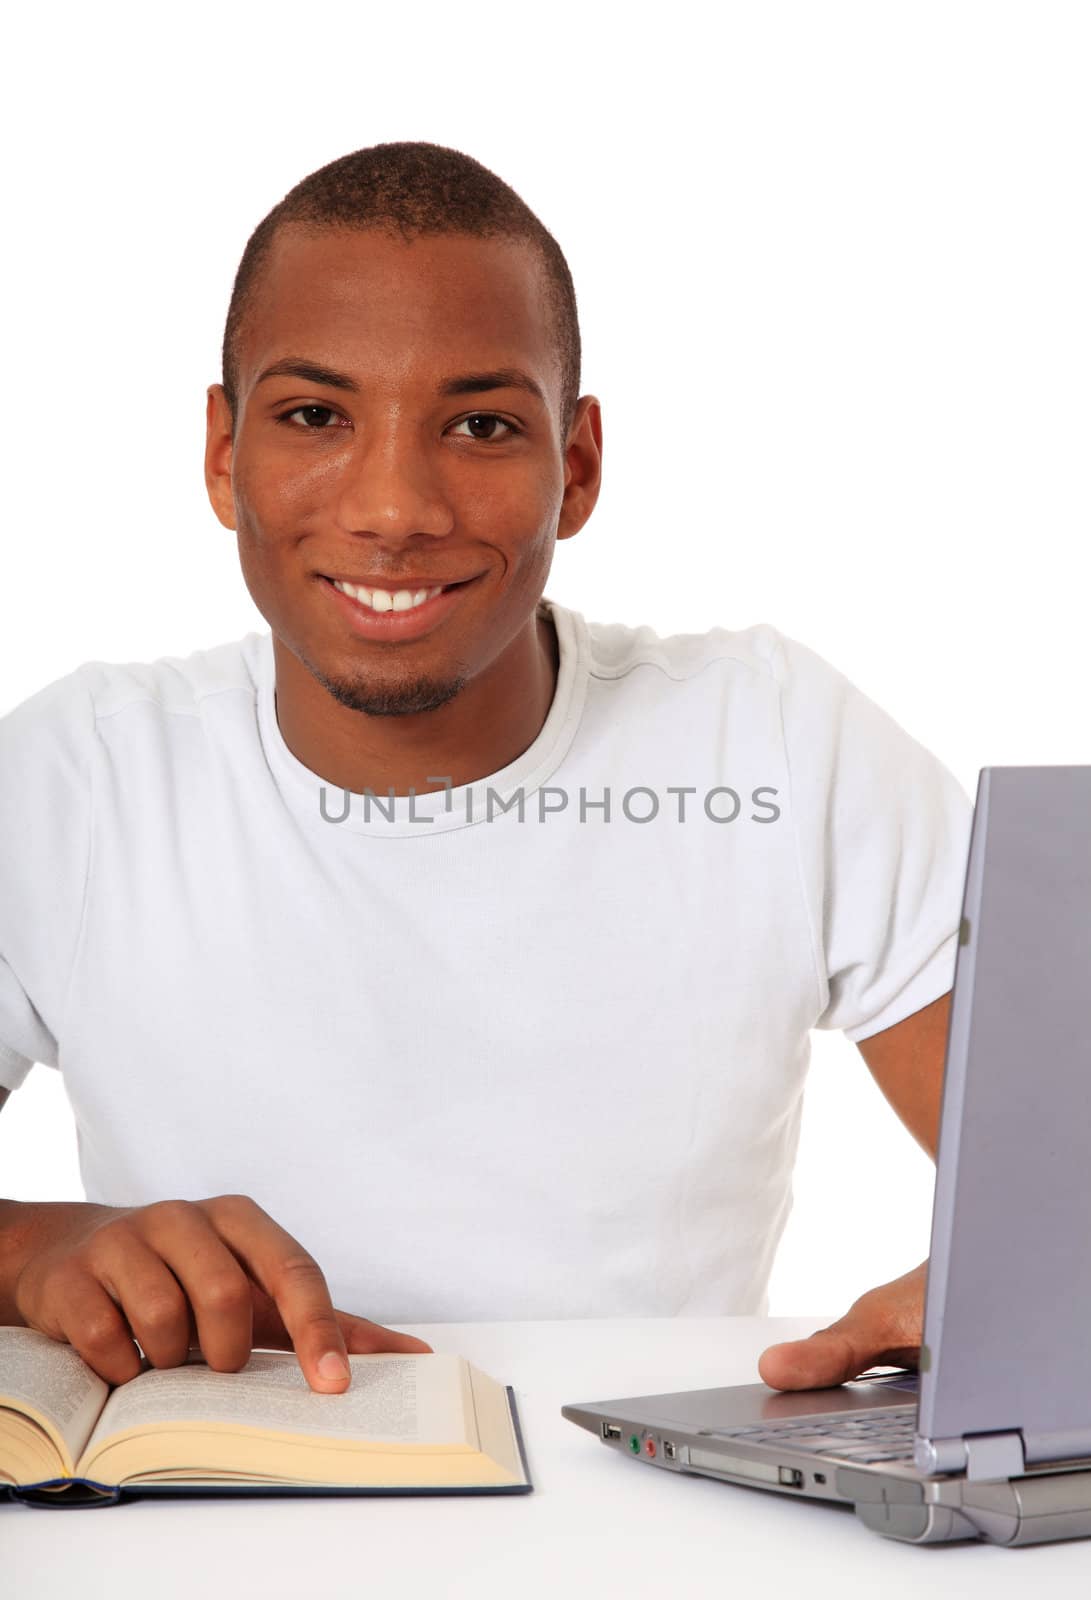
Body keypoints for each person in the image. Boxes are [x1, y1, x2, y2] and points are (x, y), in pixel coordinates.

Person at [0, 141, 969, 1398]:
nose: (395, 506)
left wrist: (1000, 1285)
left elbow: (1061, 1165)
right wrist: (31, 1247)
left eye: (478, 424)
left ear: (574, 468)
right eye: (313, 416)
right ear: (221, 453)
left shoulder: (773, 742)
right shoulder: (76, 779)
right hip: (193, 1531)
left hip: (660, 1544)